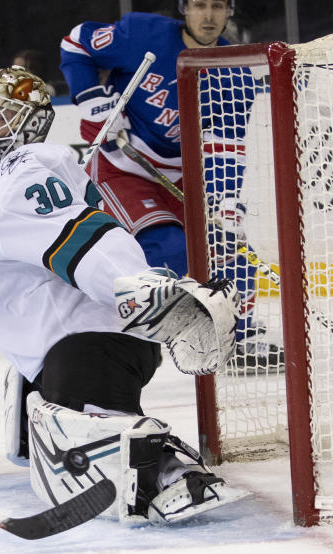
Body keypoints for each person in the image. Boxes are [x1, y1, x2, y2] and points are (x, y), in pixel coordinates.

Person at [0, 66, 247, 525]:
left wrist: (138, 288)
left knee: (97, 429)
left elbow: (81, 237)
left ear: (27, 127)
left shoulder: (21, 173)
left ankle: (175, 472)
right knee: (52, 415)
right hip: (74, 343)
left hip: (92, 344)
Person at [60, 0, 282, 370]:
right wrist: (91, 99)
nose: (208, 16)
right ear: (184, 8)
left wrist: (226, 203)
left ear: (230, 11)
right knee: (168, 247)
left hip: (185, 176)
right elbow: (76, 43)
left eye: (217, 6)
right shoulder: (141, 34)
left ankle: (236, 339)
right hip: (124, 165)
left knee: (229, 253)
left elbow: (226, 145)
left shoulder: (235, 68)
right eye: (199, 5)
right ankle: (134, 327)